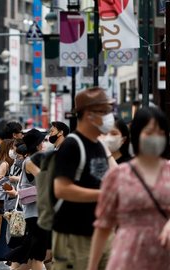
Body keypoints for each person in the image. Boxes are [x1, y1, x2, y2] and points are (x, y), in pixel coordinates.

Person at [88, 107, 170, 270]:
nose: (155, 137)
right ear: (136, 135)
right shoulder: (117, 176)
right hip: (127, 260)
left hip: (168, 261)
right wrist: (92, 266)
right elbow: (103, 226)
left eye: (160, 132)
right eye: (149, 132)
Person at [52, 87, 115, 270]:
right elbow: (61, 189)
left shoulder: (99, 146)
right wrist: (103, 194)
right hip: (74, 234)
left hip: (100, 231)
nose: (109, 116)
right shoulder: (72, 144)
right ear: (88, 114)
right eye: (104, 111)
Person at [6, 129, 47, 270]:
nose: (44, 144)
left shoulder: (35, 160)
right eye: (42, 141)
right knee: (37, 255)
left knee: (32, 255)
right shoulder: (29, 161)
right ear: (37, 145)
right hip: (35, 215)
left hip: (38, 213)